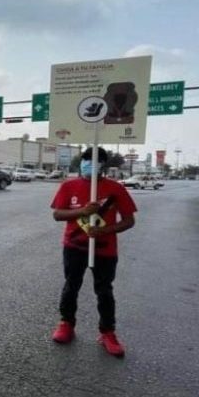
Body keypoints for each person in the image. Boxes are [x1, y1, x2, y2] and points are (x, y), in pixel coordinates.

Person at [49, 147, 137, 357]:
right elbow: (57, 214)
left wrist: (104, 230)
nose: (89, 163)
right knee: (71, 286)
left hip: (105, 250)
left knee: (104, 290)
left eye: (94, 160)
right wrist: (82, 211)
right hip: (74, 247)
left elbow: (129, 220)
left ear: (103, 165)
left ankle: (107, 332)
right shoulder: (68, 186)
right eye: (86, 159)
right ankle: (66, 323)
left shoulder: (116, 189)